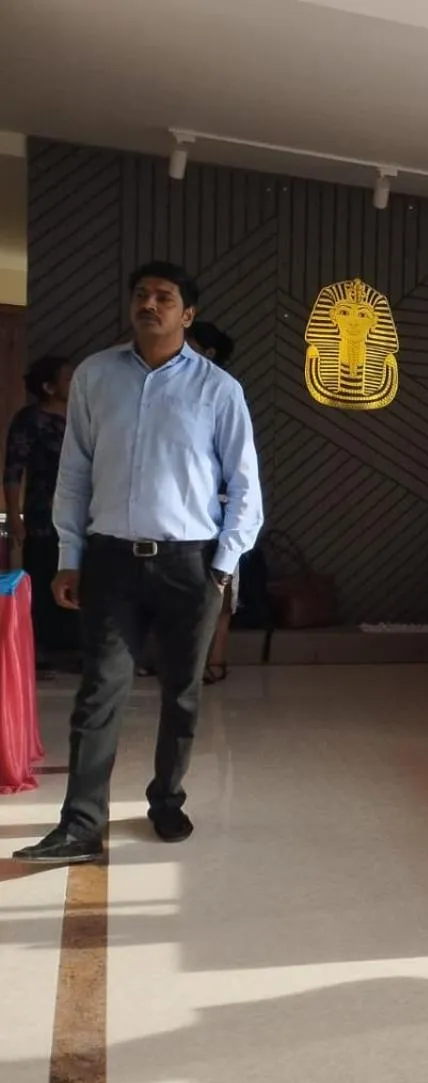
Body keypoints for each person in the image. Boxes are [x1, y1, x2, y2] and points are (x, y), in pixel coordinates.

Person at [12, 262, 264, 865]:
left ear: (188, 314)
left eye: (164, 297)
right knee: (99, 692)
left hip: (189, 564)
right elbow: (74, 473)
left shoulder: (217, 390)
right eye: (141, 295)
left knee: (181, 692)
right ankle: (79, 824)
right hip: (111, 563)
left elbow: (245, 485)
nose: (149, 304)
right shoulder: (97, 375)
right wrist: (70, 555)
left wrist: (223, 568)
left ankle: (166, 800)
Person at [4, 356, 75, 677]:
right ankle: (38, 652)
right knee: (43, 577)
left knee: (81, 578)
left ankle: (77, 650)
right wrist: (15, 518)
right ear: (48, 387)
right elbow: (13, 470)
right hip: (43, 515)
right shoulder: (30, 420)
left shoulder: (81, 417)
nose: (73, 382)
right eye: (66, 378)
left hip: (82, 515)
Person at [189, 321, 238, 684]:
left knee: (220, 589)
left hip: (219, 509)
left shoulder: (223, 392)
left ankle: (215, 661)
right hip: (182, 512)